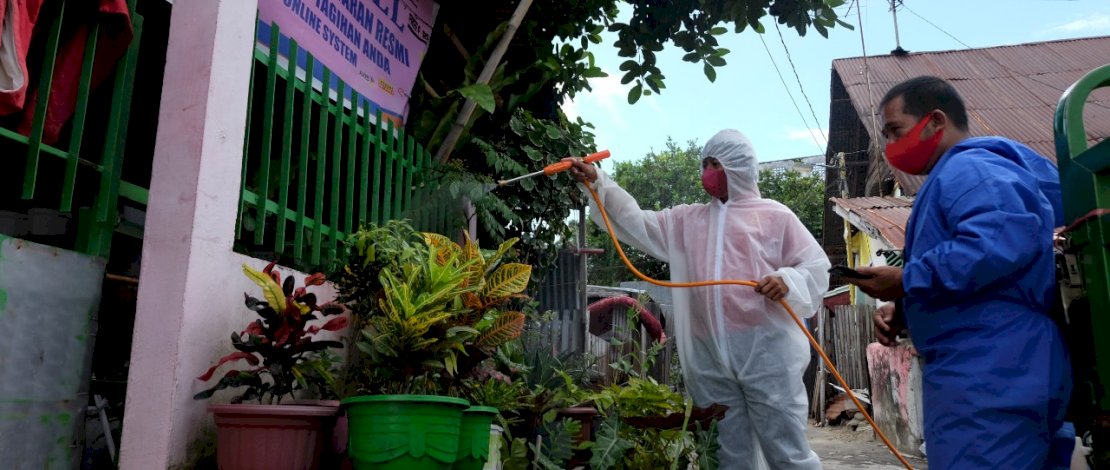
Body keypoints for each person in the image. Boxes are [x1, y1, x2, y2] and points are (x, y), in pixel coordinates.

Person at [565, 129, 830, 469]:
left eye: (715, 164)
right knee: (727, 454)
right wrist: (599, 181)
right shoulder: (688, 221)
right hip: (711, 358)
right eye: (704, 163)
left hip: (767, 354)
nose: (707, 172)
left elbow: (816, 266)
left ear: (738, 168)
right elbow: (637, 221)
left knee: (787, 451)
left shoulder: (775, 216)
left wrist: (787, 280)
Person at [846, 75, 1073, 469]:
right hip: (994, 366)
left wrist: (907, 280)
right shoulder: (957, 177)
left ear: (935, 121)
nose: (889, 148)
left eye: (895, 131)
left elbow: (999, 240)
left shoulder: (971, 168)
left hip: (990, 371)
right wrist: (904, 307)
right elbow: (978, 274)